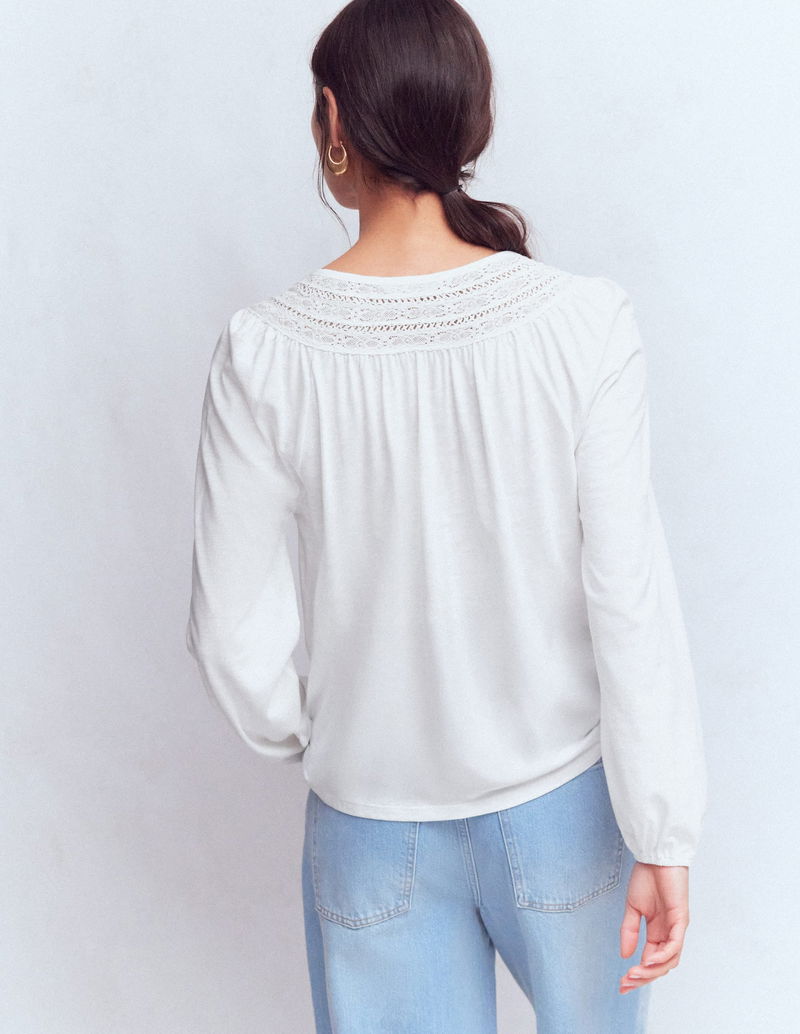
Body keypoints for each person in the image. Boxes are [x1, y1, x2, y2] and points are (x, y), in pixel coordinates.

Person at [185, 0, 708, 1030]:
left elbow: (229, 632)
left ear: (334, 120)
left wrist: (332, 734)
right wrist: (662, 828)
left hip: (370, 823)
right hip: (565, 809)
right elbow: (629, 597)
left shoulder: (265, 352)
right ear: (470, 117)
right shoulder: (582, 324)